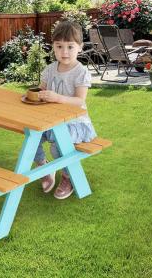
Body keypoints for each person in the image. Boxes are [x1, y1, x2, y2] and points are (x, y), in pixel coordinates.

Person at [35, 21, 97, 199]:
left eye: (70, 47)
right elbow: (41, 90)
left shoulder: (81, 72)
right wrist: (35, 95)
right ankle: (43, 167)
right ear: (53, 47)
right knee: (32, 135)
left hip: (75, 123)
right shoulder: (49, 69)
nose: (64, 52)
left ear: (80, 47)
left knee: (58, 144)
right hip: (50, 119)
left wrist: (58, 98)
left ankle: (67, 176)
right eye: (59, 46)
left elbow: (79, 101)